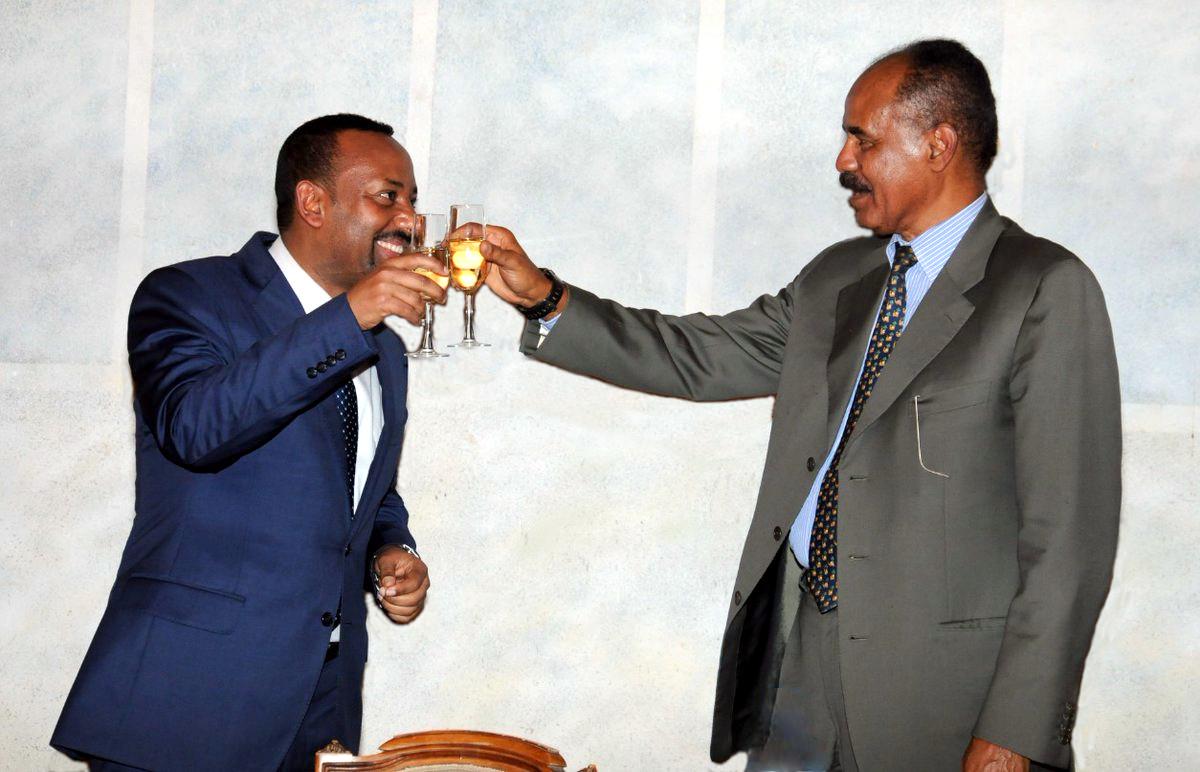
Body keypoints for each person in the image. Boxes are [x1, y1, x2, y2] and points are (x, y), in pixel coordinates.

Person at [474, 40, 1121, 771]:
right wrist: (545, 298)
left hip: (946, 704)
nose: (843, 161)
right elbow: (697, 355)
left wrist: (1016, 732)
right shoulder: (836, 280)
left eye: (862, 139)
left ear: (939, 144)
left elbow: (1069, 543)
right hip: (796, 673)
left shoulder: (1042, 288)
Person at [52, 114, 446, 771]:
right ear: (312, 202)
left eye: (412, 199)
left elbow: (361, 483)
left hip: (318, 707)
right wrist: (348, 316)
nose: (410, 217)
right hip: (186, 699)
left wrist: (390, 547)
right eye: (388, 195)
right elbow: (194, 428)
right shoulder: (187, 296)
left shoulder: (385, 351)